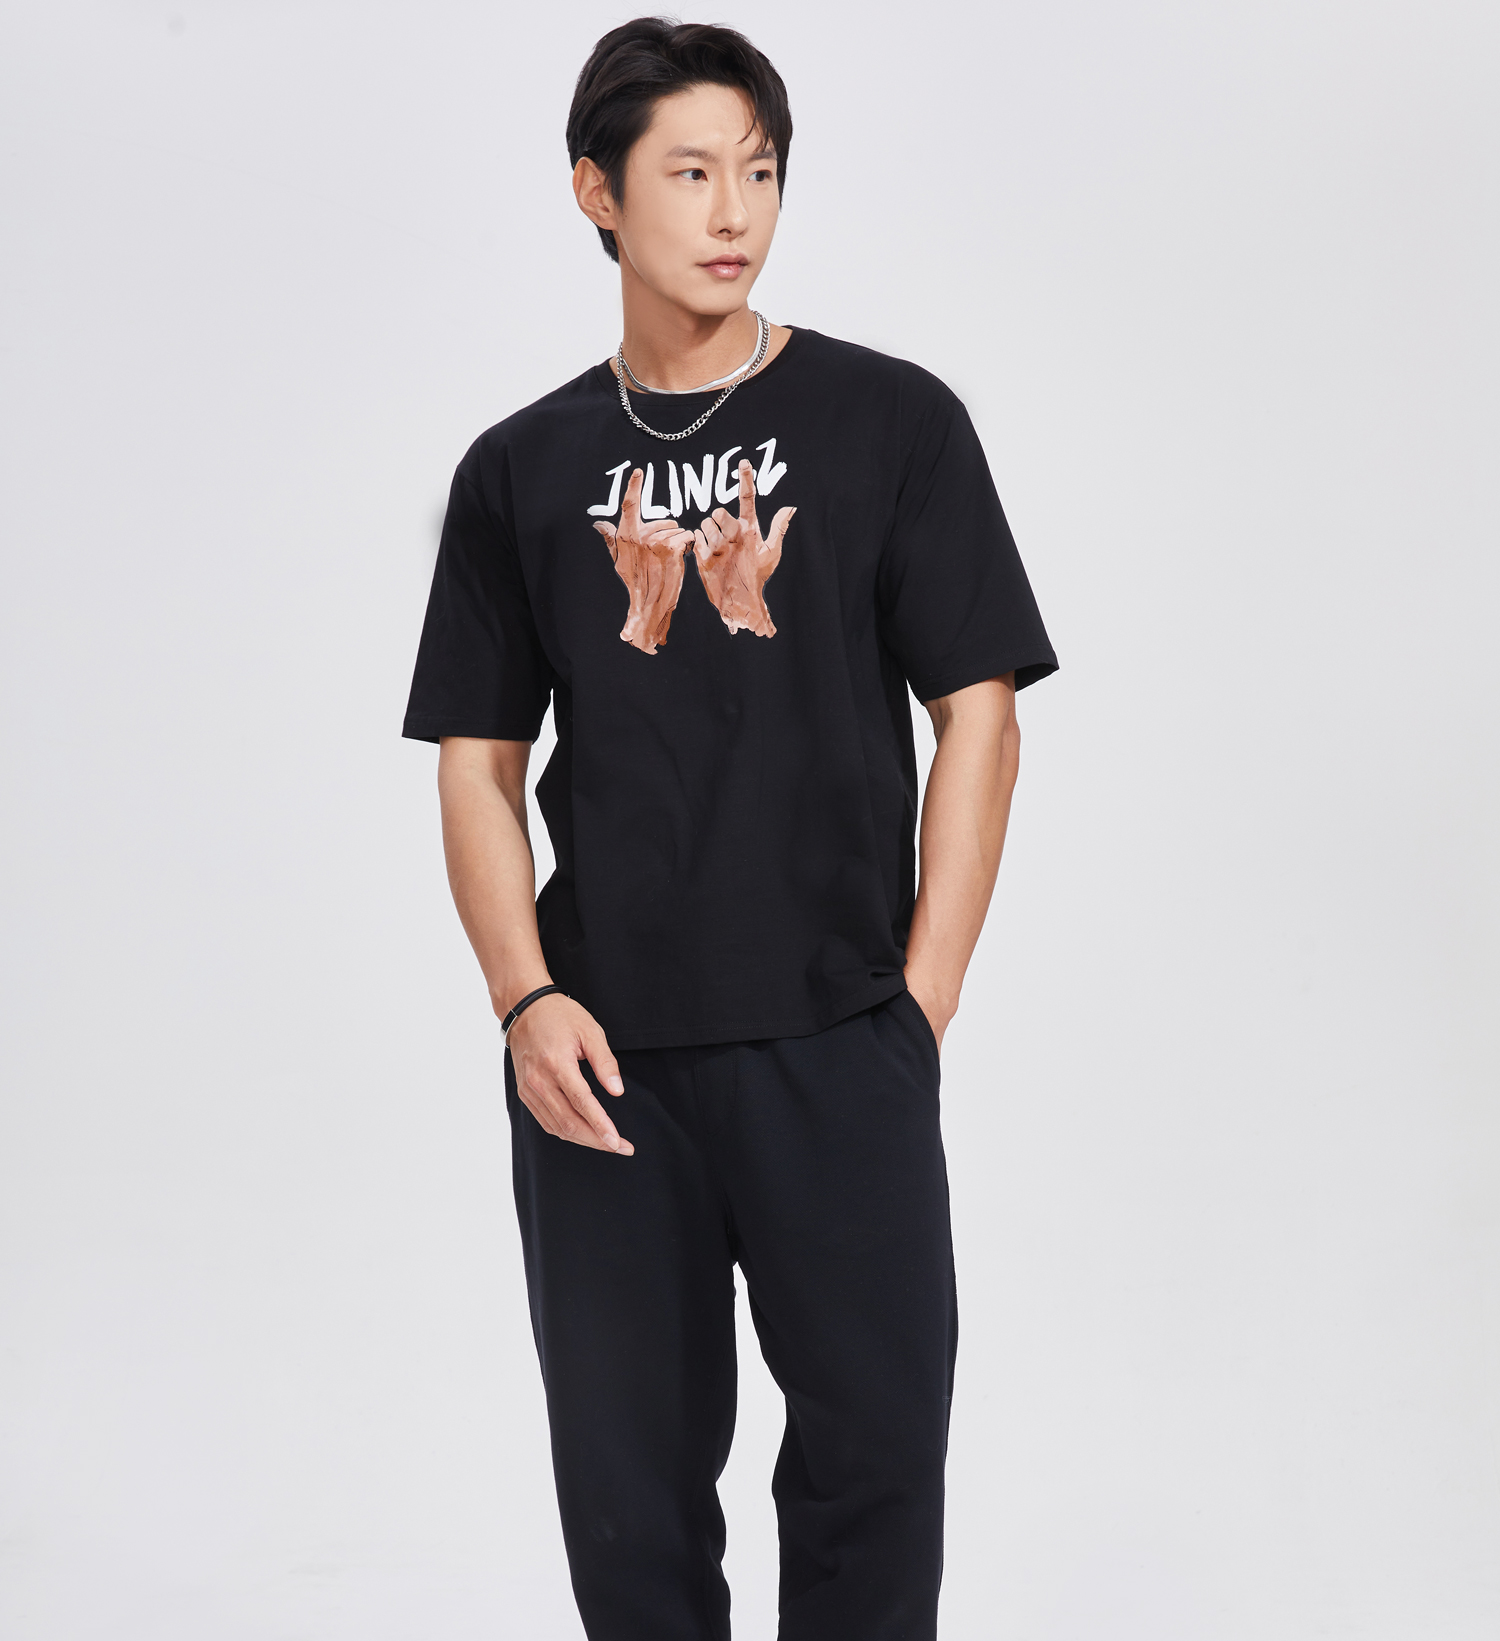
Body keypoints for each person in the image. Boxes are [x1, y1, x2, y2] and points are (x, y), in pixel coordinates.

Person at [402, 17, 1057, 1640]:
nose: (733, 212)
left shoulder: (893, 423)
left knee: (876, 1482)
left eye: (757, 172)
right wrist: (522, 999)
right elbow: (479, 763)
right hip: (604, 1067)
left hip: (841, 1041)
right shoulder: (518, 469)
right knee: (628, 1509)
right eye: (690, 173)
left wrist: (918, 1006)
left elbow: (980, 712)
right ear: (596, 192)